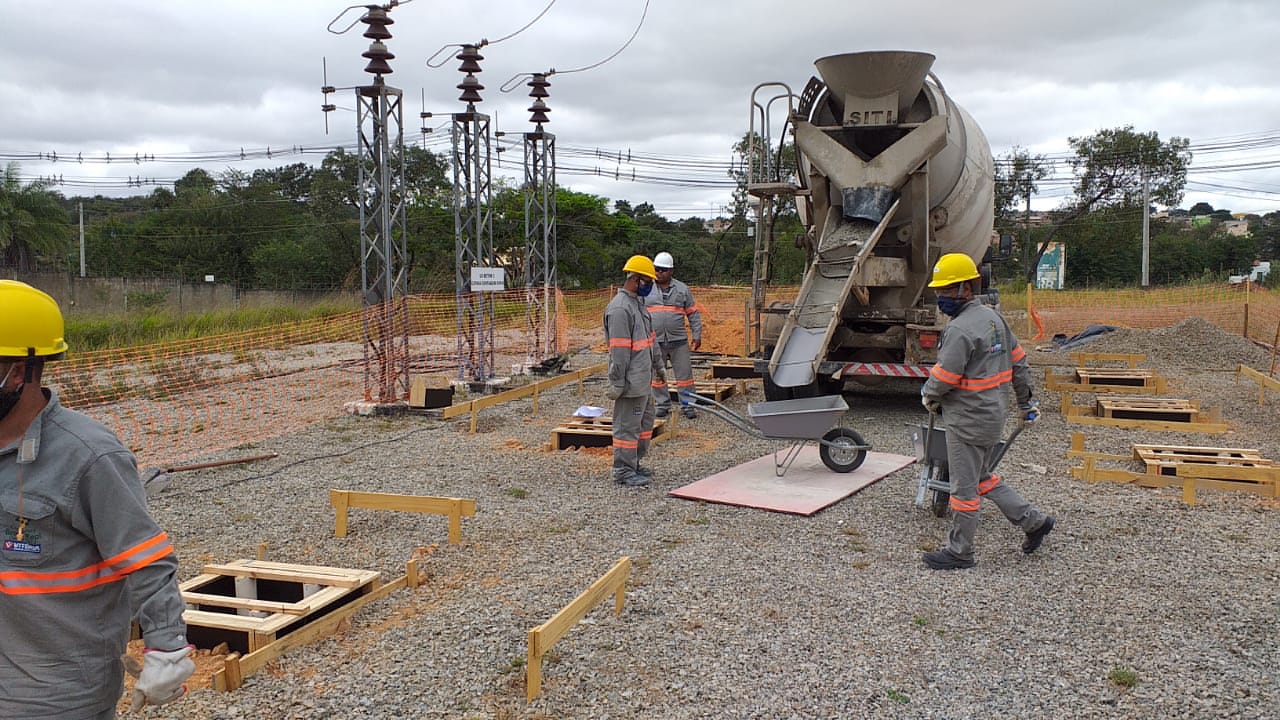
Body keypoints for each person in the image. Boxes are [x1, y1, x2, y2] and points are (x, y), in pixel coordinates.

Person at [0, 280, 194, 718]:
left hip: (52, 695)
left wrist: (167, 649)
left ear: (18, 371)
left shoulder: (88, 458)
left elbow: (147, 560)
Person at [918, 254, 1054, 570]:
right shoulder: (995, 319)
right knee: (982, 478)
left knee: (964, 490)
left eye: (948, 290)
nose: (941, 298)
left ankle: (960, 551)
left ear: (967, 287)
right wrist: (1025, 403)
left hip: (966, 421)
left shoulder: (960, 330)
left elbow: (945, 376)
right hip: (991, 416)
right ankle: (1034, 522)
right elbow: (1019, 363)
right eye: (939, 291)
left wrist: (928, 394)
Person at [604, 256, 664, 487]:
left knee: (644, 424)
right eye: (648, 281)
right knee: (627, 428)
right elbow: (618, 352)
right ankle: (623, 471)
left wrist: (659, 367)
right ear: (636, 280)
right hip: (630, 382)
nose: (650, 286)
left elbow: (651, 341)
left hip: (643, 379)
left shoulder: (638, 306)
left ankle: (634, 464)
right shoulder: (620, 309)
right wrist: (617, 383)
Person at [645, 251, 703, 420]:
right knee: (657, 375)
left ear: (671, 271)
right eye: (657, 269)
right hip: (655, 341)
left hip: (679, 341)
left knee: (684, 376)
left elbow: (693, 313)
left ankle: (688, 405)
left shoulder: (682, 289)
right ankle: (662, 404)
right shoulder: (647, 289)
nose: (659, 273)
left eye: (663, 270)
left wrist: (696, 334)